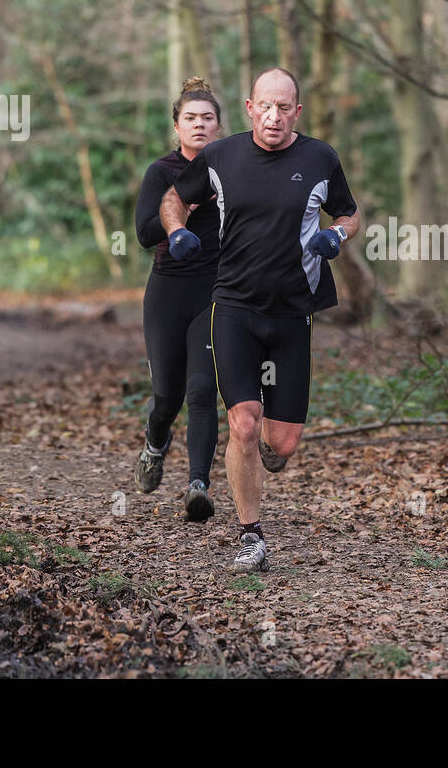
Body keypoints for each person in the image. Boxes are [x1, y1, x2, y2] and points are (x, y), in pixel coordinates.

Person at [160, 66, 360, 572]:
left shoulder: (320, 158)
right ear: (250, 109)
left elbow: (350, 213)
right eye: (264, 106)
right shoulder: (220, 157)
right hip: (233, 308)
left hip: (294, 312)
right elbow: (174, 198)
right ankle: (251, 535)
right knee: (244, 425)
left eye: (284, 107)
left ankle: (272, 452)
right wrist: (178, 230)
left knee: (282, 440)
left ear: (297, 111)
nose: (274, 116)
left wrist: (337, 236)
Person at [132, 77, 224, 523]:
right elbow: (144, 234)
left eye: (208, 118)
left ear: (220, 126)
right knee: (167, 396)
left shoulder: (231, 169)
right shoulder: (161, 172)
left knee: (203, 390)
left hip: (216, 292)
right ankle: (154, 444)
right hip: (168, 291)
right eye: (191, 118)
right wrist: (181, 212)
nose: (199, 125)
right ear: (177, 126)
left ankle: (198, 486)